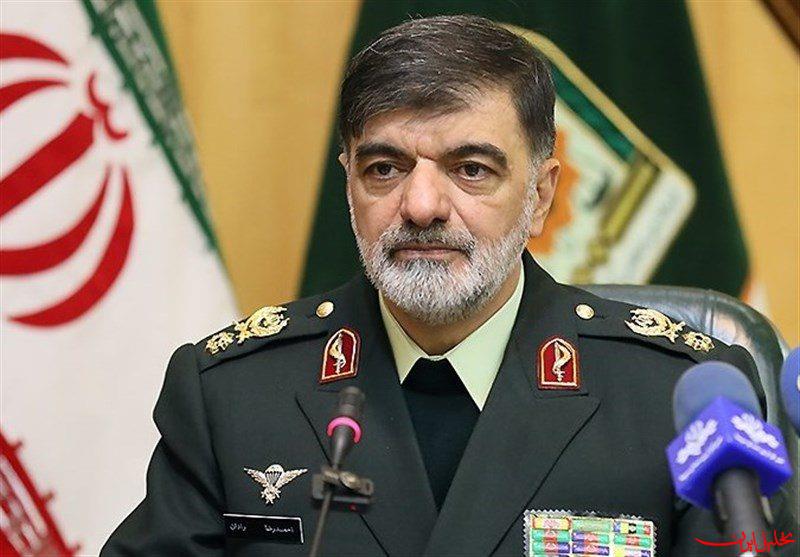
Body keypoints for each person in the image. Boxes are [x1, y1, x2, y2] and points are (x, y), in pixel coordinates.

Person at [102, 15, 786, 557]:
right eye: (384, 168)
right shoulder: (233, 396)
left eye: (471, 169)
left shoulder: (674, 397)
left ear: (541, 195)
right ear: (349, 185)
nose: (422, 205)